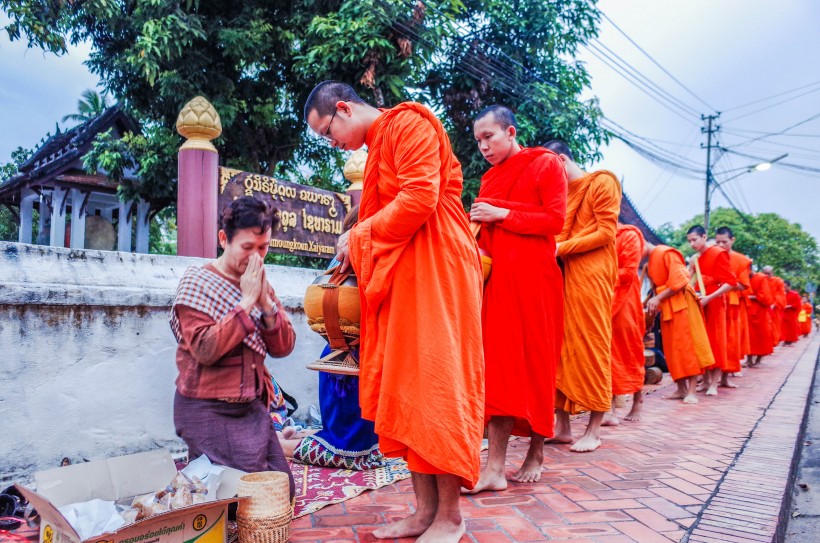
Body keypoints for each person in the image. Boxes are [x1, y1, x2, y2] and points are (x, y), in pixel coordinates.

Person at [304, 81, 484, 542]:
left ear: (343, 108)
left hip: (435, 266)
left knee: (434, 386)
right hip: (404, 273)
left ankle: (450, 518)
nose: (332, 143)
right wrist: (359, 237)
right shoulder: (380, 143)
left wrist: (358, 236)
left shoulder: (407, 123)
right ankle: (424, 511)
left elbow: (421, 198)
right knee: (405, 391)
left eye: (328, 132)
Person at [465, 106, 566, 492]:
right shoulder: (490, 179)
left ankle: (537, 452)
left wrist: (502, 212)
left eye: (489, 137)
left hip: (537, 283)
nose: (483, 147)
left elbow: (554, 220)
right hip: (499, 283)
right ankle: (494, 468)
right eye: (478, 141)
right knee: (500, 369)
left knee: (537, 364)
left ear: (510, 131)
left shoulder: (545, 164)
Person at [170, 196, 296, 497]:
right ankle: (197, 481)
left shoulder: (258, 282)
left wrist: (266, 305)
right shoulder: (197, 281)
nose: (256, 258)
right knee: (242, 500)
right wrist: (246, 303)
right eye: (248, 248)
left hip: (250, 409)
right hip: (207, 408)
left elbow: (283, 347)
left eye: (263, 248)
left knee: (282, 492)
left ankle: (201, 477)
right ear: (223, 239)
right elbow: (205, 350)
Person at [279, 206, 387, 471]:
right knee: (348, 451)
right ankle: (276, 443)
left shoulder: (358, 256)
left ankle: (292, 437)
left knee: (367, 448)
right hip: (348, 361)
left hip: (344, 355)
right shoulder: (349, 258)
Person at [544, 140, 621, 453]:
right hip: (562, 276)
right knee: (559, 350)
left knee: (592, 346)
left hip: (592, 276)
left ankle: (593, 429)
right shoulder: (563, 196)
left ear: (562, 160)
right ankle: (562, 426)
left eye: (551, 171)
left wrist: (561, 248)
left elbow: (605, 232)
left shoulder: (603, 181)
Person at [644, 241, 714, 403]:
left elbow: (682, 279)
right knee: (672, 348)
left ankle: (691, 391)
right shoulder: (650, 261)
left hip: (682, 304)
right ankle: (680, 388)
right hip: (667, 306)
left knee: (687, 346)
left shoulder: (666, 253)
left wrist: (658, 298)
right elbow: (656, 290)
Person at [604, 223, 646, 424]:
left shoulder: (629, 235)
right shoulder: (599, 234)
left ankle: (638, 400)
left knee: (630, 351)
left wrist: (597, 273)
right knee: (608, 353)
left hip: (626, 300)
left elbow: (628, 273)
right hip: (604, 298)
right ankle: (609, 408)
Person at [686, 225, 736, 396]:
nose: (692, 244)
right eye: (689, 241)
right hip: (699, 301)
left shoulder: (718, 253)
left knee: (716, 341)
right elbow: (689, 280)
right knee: (702, 340)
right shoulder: (694, 259)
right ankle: (706, 380)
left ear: (704, 237)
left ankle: (714, 383)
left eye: (695, 239)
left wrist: (710, 298)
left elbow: (730, 283)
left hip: (714, 302)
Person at [714, 226, 751, 387]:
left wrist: (726, 283)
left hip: (732, 305)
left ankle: (725, 377)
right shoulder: (713, 256)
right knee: (713, 339)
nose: (721, 245)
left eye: (725, 242)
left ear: (732, 240)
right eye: (718, 242)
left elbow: (743, 285)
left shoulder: (740, 260)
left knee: (730, 340)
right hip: (714, 302)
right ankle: (709, 378)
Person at [746, 268, 775, 367]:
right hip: (747, 310)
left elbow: (766, 297)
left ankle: (758, 360)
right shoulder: (744, 278)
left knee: (761, 335)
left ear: (749, 269)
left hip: (760, 312)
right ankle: (748, 360)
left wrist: (750, 297)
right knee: (749, 336)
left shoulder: (761, 278)